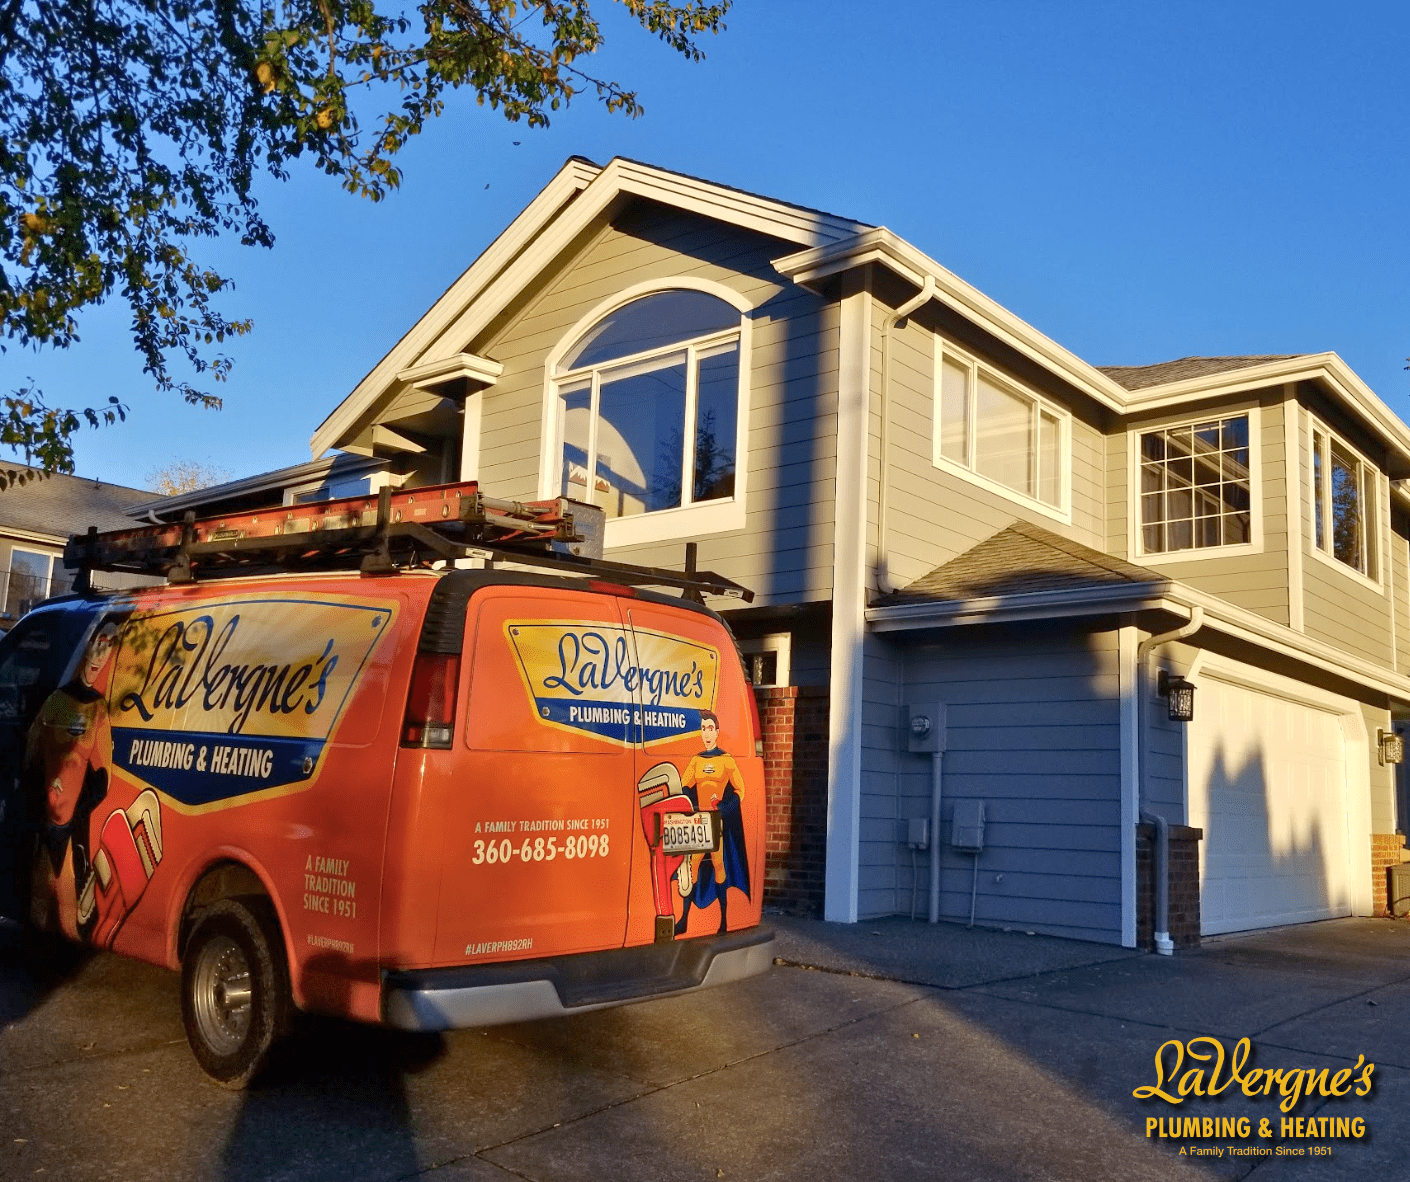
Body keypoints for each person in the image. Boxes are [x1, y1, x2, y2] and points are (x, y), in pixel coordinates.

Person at [26, 622, 117, 941]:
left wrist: (72, 817)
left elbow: (104, 776)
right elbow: (31, 755)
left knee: (67, 914)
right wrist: (45, 800)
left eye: (108, 649)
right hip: (46, 818)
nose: (100, 656)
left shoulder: (98, 709)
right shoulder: (54, 701)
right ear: (84, 648)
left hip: (70, 826)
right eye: (97, 645)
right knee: (41, 908)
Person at [676, 709, 750, 935]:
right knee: (692, 867)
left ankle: (724, 921)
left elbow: (740, 789)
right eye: (703, 728)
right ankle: (684, 919)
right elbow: (684, 784)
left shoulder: (726, 760)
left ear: (717, 732)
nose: (706, 733)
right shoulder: (696, 760)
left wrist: (726, 806)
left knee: (719, 867)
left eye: (710, 728)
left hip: (716, 821)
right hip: (699, 821)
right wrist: (688, 798)